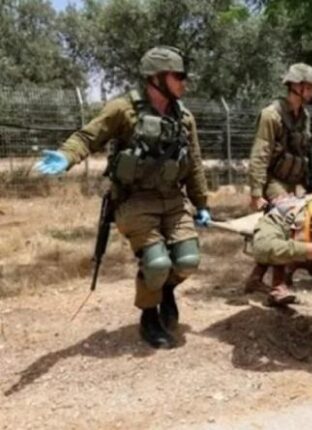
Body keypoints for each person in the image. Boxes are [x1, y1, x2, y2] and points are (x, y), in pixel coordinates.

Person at [35, 46, 210, 349]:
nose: (185, 82)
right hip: (135, 201)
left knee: (188, 261)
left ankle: (165, 290)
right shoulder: (122, 109)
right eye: (179, 76)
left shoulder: (184, 117)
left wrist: (202, 203)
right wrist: (66, 156)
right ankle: (149, 316)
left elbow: (193, 163)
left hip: (172, 199)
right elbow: (88, 137)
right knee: (156, 264)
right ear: (157, 78)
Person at [246, 63, 312, 306]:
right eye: (309, 87)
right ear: (296, 86)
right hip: (273, 180)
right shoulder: (271, 115)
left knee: (299, 220)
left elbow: (304, 154)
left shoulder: (304, 117)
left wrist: (307, 185)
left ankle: (256, 277)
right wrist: (256, 192)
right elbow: (260, 154)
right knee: (287, 220)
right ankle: (279, 286)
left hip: (293, 181)